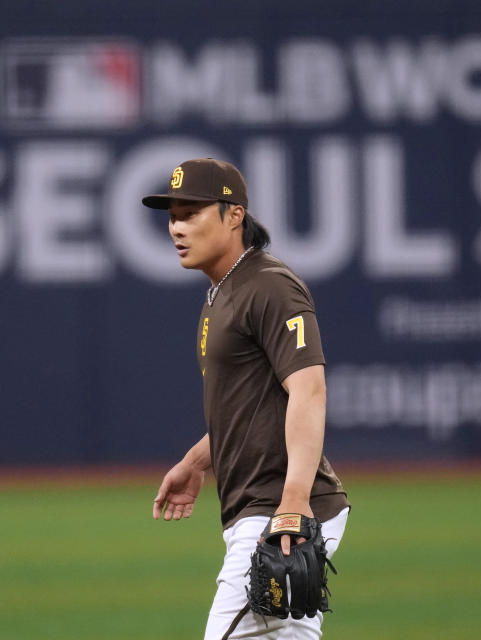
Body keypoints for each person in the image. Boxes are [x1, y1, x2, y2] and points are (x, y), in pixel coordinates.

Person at [144, 158, 350, 639]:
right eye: (173, 215)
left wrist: (294, 502)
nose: (177, 227)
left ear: (233, 214)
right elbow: (253, 406)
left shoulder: (269, 285)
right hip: (264, 507)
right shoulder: (223, 293)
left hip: (279, 509)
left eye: (192, 212)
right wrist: (198, 461)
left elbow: (308, 388)